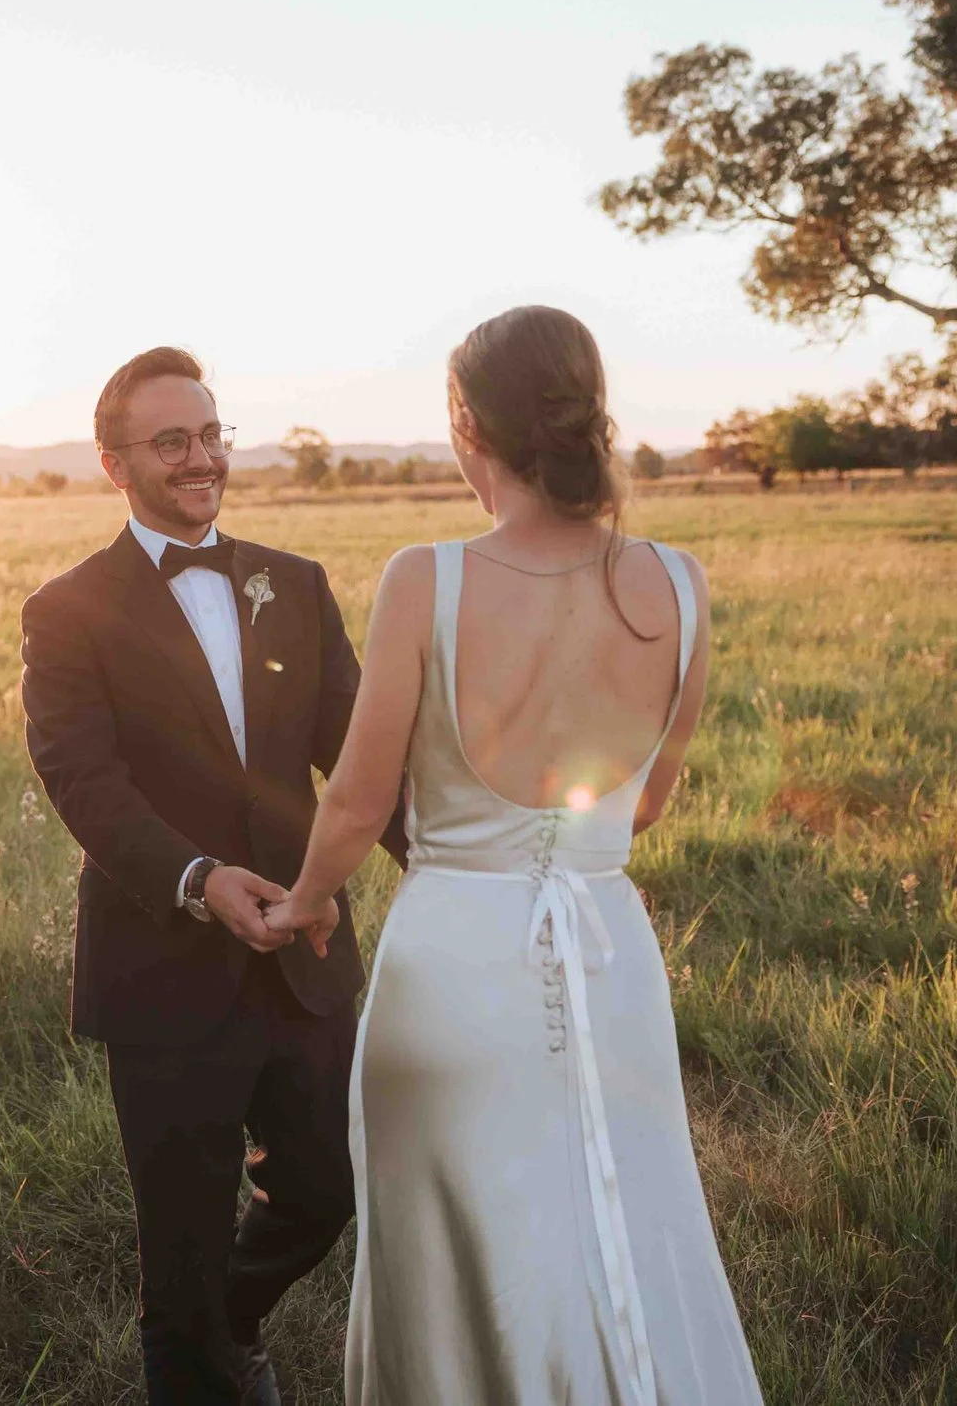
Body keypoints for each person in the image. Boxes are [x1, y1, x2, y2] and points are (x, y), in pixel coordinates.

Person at [266, 306, 762, 1404]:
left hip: (451, 961)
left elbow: (354, 799)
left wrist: (304, 899)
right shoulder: (678, 584)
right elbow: (640, 809)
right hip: (608, 957)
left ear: (464, 423)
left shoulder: (424, 577)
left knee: (457, 1245)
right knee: (623, 1216)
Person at [20, 347, 407, 1406]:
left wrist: (468, 869)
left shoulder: (297, 581)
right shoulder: (67, 610)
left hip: (304, 946)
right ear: (115, 464)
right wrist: (197, 877)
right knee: (179, 1246)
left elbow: (361, 762)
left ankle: (225, 1325)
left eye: (211, 433)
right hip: (163, 968)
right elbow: (81, 781)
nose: (201, 459)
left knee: (327, 1186)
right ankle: (198, 1347)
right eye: (171, 441)